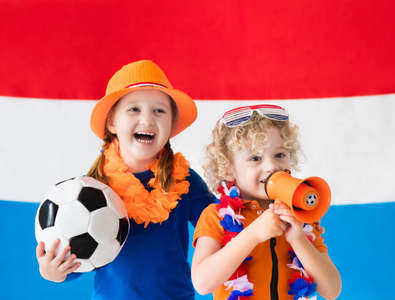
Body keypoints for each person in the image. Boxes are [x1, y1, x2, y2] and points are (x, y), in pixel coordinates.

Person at [35, 59, 216, 299]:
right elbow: (75, 255)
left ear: (171, 124)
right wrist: (54, 271)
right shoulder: (91, 189)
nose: (147, 120)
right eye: (134, 109)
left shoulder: (184, 181)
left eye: (159, 111)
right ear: (112, 122)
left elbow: (218, 220)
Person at [191, 104, 341, 300]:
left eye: (279, 155)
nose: (271, 166)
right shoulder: (215, 215)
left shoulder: (300, 216)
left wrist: (298, 238)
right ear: (228, 169)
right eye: (255, 158)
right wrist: (253, 234)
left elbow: (332, 290)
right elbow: (202, 283)